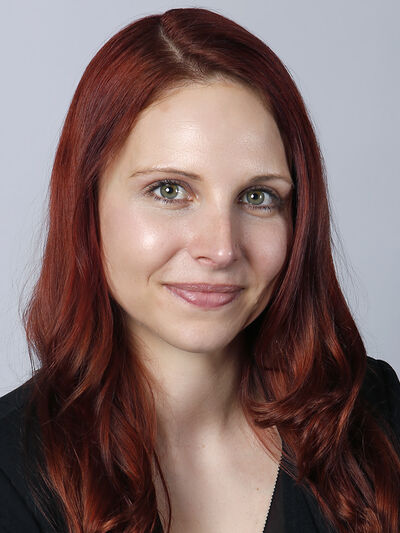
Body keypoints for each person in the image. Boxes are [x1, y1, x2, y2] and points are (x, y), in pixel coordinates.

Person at [0, 7, 399, 533]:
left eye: (258, 197)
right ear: (86, 203)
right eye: (169, 190)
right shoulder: (10, 476)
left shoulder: (371, 414)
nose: (221, 248)